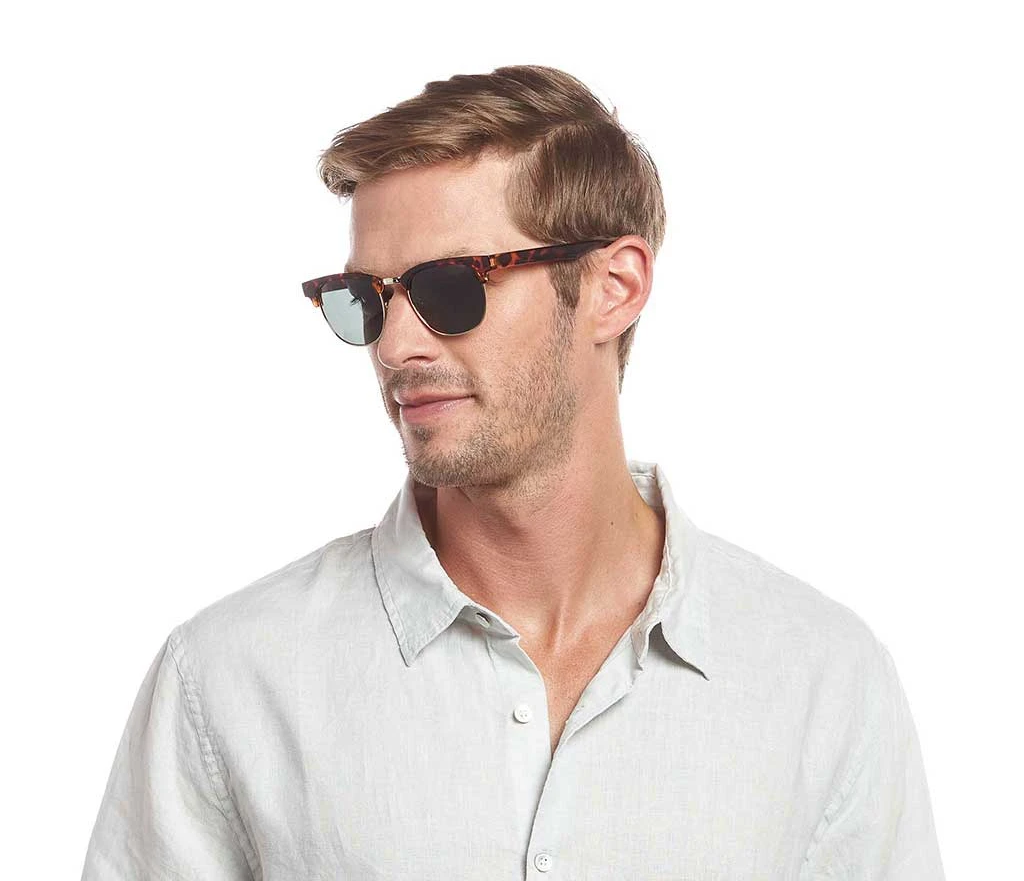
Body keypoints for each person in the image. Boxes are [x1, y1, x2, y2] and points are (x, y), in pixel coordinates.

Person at [81, 65, 945, 879]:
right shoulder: (231, 679)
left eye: (450, 287)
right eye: (367, 300)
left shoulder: (821, 681)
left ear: (614, 287)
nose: (396, 346)